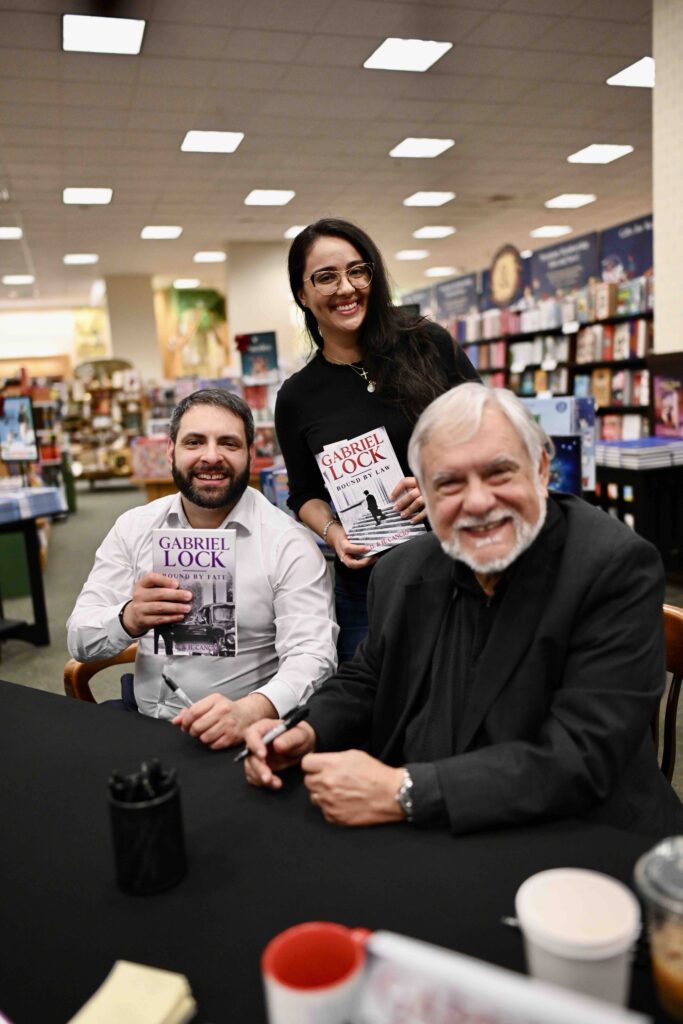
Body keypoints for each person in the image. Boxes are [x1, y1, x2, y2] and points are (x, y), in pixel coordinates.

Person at [244, 383, 683, 836]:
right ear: (423, 496)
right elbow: (369, 677)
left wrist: (404, 789)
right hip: (429, 833)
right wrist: (306, 730)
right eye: (449, 483)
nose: (477, 502)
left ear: (542, 469)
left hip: (573, 841)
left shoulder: (612, 568)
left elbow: (580, 756)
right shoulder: (402, 571)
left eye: (499, 473)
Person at [67, 388, 338, 750]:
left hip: (240, 734)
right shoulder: (134, 527)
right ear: (170, 451)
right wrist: (127, 618)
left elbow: (313, 657)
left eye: (229, 443)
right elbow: (79, 639)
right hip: (142, 720)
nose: (211, 457)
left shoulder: (288, 543)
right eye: (194, 442)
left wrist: (254, 710)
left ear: (251, 456)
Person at [275, 218, 478, 662]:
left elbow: (488, 429)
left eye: (357, 270)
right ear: (302, 295)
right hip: (371, 582)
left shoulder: (427, 345)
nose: (346, 288)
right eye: (326, 277)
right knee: (377, 710)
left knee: (470, 700)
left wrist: (441, 484)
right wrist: (333, 533)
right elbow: (304, 493)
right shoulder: (297, 397)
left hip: (462, 559)